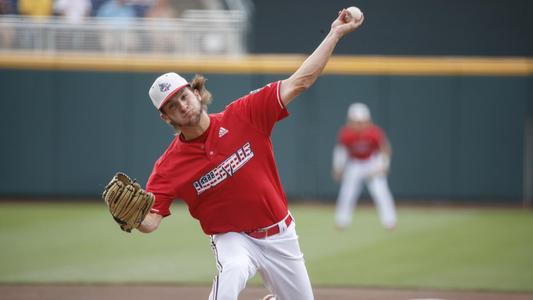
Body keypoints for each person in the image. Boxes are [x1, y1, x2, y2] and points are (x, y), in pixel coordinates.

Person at [139, 8, 364, 300]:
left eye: (183, 96)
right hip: (233, 238)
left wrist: (334, 33)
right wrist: (132, 220)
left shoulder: (244, 114)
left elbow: (300, 81)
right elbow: (151, 220)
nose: (182, 105)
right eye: (172, 106)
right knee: (232, 270)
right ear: (166, 118)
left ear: (196, 92)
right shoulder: (169, 165)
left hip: (280, 235)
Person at [332, 103, 397, 230]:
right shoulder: (346, 133)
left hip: (371, 162)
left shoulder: (374, 132)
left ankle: (390, 221)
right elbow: (341, 151)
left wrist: (383, 165)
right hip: (355, 163)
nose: (359, 124)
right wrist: (338, 168)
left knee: (381, 192)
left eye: (361, 121)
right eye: (356, 121)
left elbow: (385, 149)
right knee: (347, 193)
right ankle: (341, 221)